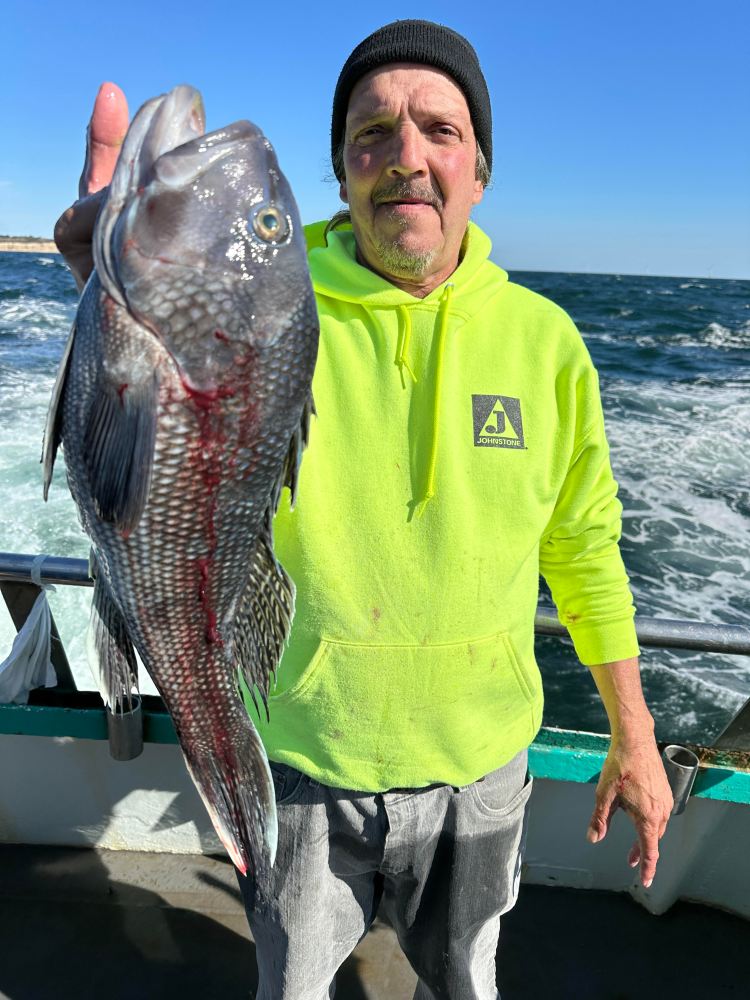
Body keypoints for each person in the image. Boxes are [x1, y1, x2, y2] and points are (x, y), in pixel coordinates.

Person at [55, 20, 673, 1000]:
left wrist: (634, 736)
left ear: (481, 166)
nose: (407, 158)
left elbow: (585, 545)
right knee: (291, 983)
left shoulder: (548, 342)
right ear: (341, 170)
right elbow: (173, 415)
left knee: (464, 982)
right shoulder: (273, 299)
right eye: (372, 134)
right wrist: (106, 293)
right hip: (299, 755)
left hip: (481, 773)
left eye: (439, 128)